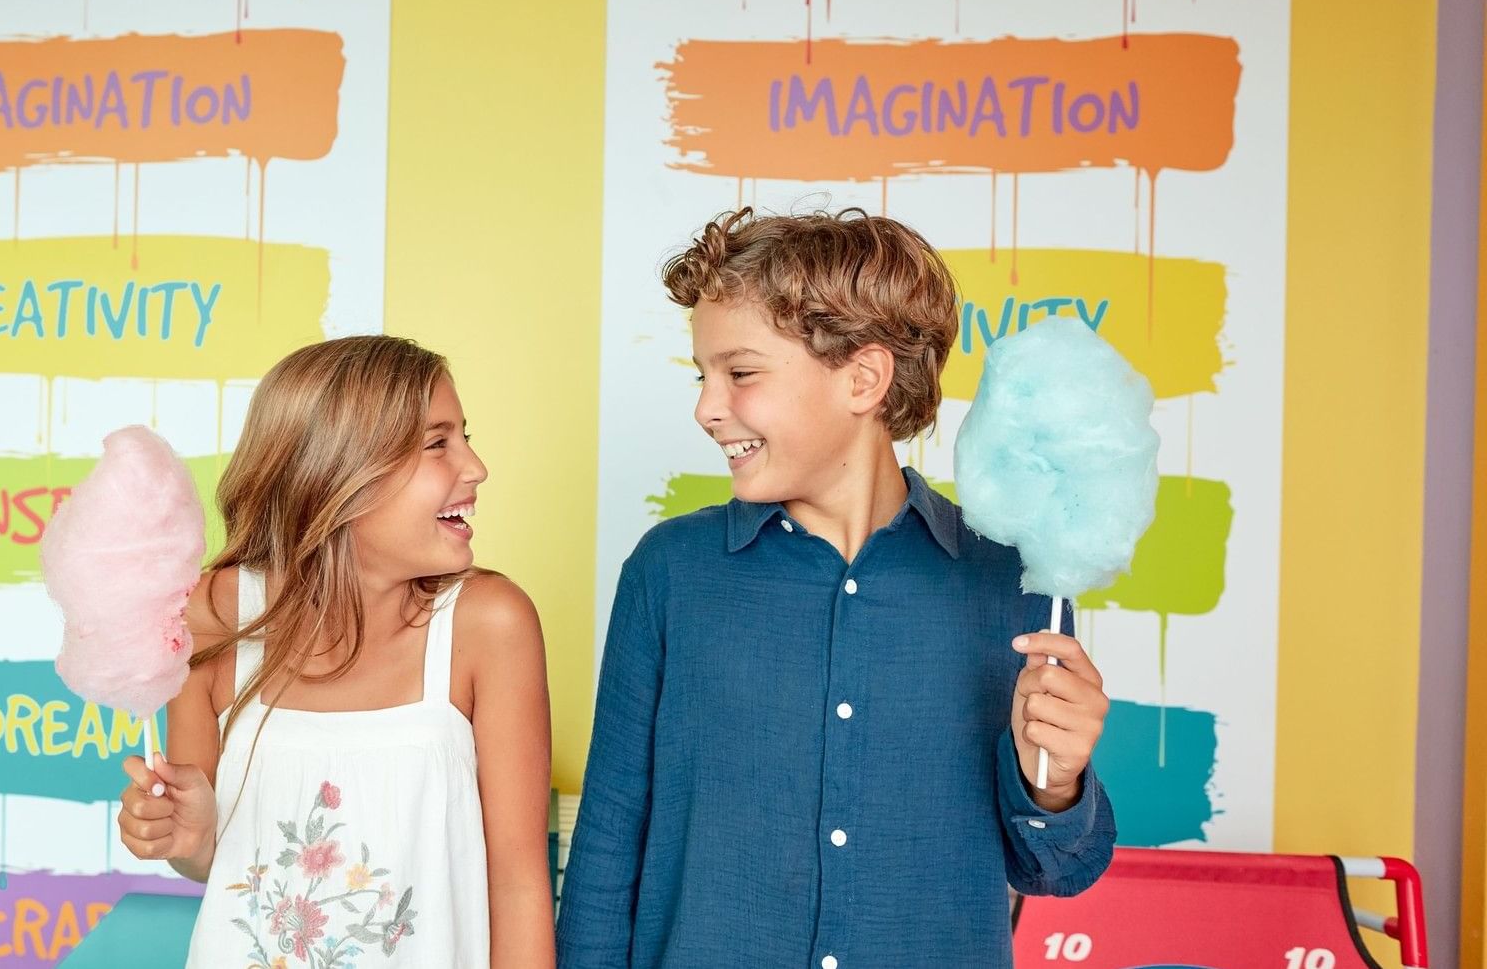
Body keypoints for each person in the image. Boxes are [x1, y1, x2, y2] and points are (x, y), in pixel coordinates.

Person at [556, 208, 1117, 968]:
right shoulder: (671, 573)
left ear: (863, 378)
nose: (707, 406)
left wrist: (1058, 779)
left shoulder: (1012, 583)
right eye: (703, 374)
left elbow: (1055, 868)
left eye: (740, 372)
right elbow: (607, 847)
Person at [116, 335, 555, 967]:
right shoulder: (211, 616)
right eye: (438, 443)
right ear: (338, 474)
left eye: (464, 435)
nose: (475, 466)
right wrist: (188, 835)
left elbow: (517, 885)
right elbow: (210, 861)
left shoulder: (489, 624)